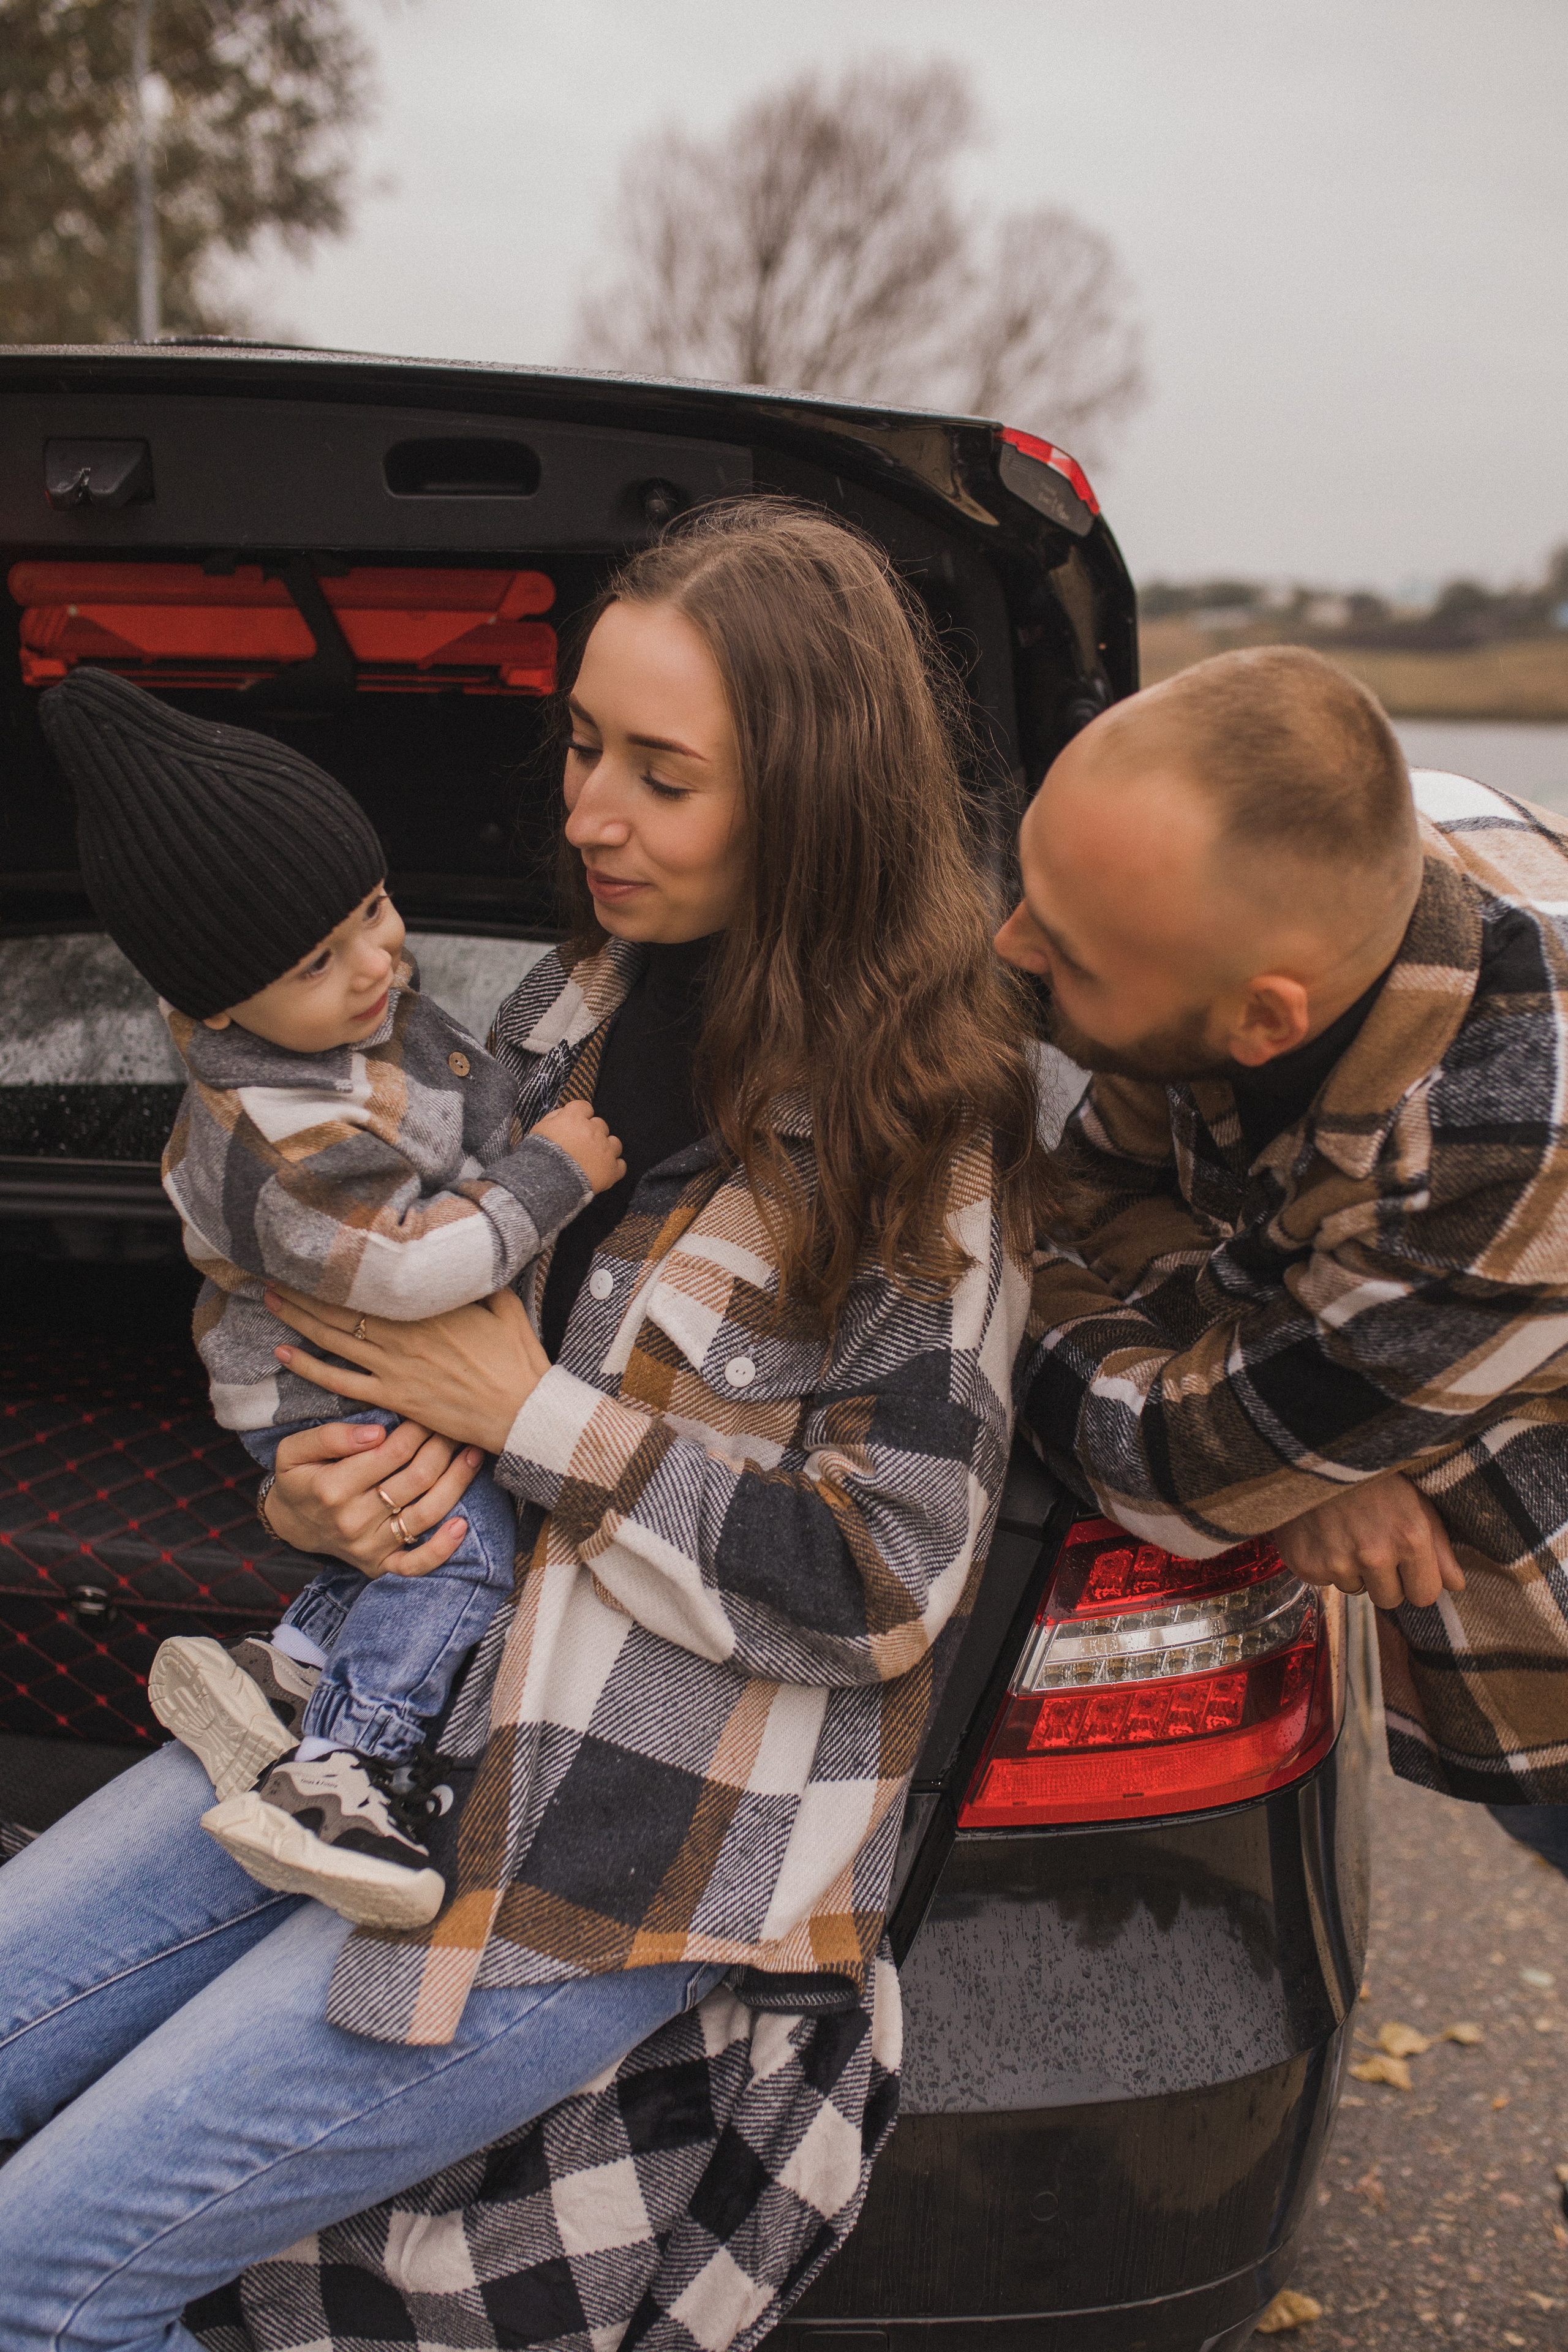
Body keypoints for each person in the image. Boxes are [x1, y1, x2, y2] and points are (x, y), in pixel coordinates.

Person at [0, 498, 1039, 2351]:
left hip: (609, 1851)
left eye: (661, 772)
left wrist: (527, 1411)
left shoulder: (921, 1148)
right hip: (365, 1732)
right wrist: (333, 1500)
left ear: (809, 799)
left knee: (38, 2278)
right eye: (580, 744)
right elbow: (369, 1297)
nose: (584, 814)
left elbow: (881, 1579)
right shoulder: (582, 1007)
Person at [37, 668, 625, 1929]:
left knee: (422, 1545)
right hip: (317, 1379)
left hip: (359, 1364)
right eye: (320, 958)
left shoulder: (347, 1032)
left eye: (372, 907)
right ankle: (341, 1773)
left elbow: (456, 1105)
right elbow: (410, 1268)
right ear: (214, 1005)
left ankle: (295, 1668)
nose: (377, 959)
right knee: (454, 1562)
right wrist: (548, 1177)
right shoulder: (275, 1128)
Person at [998, 643, 1568, 1858]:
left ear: (1266, 1018)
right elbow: (1096, 1183)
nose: (1005, 948)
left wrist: (975, 1268)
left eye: (1070, 953)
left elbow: (1170, 1465)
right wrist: (1303, 1454)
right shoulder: (1314, 859)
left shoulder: (1502, 1152)